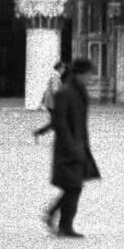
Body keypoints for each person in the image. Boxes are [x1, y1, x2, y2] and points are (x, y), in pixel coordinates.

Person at [44, 58, 100, 238]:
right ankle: (62, 224)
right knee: (73, 185)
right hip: (67, 149)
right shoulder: (65, 92)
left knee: (74, 186)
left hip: (79, 145)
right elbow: (59, 122)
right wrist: (71, 146)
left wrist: (82, 146)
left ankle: (59, 221)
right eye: (90, 73)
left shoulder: (80, 91)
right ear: (80, 73)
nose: (92, 78)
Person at [33, 61, 66, 140]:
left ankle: (38, 133)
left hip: (50, 102)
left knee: (56, 121)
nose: (64, 69)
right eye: (63, 68)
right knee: (58, 121)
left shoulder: (55, 75)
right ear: (59, 68)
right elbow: (55, 90)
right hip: (52, 102)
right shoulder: (55, 76)